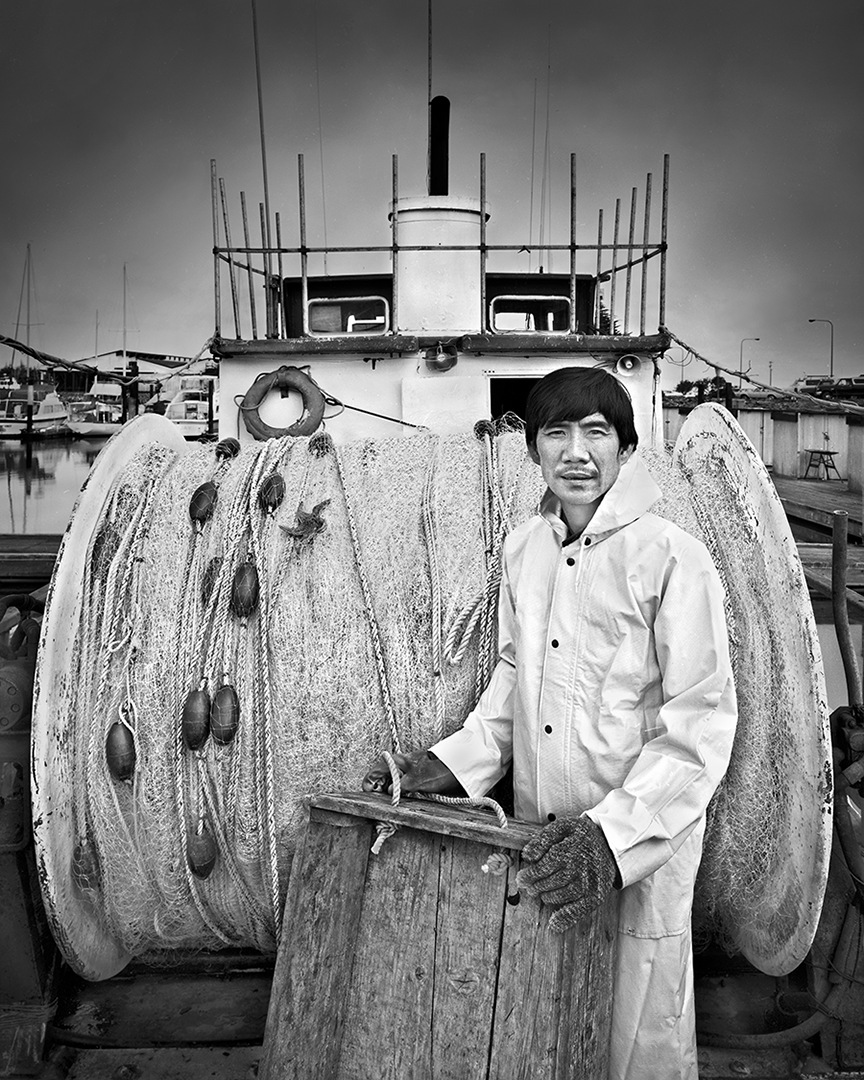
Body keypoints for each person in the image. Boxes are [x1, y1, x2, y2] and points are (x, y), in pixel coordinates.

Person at [363, 365, 737, 1080]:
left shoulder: (672, 559)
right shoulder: (523, 549)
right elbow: (513, 680)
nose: (576, 452)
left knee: (635, 1035)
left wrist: (612, 838)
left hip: (638, 849)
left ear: (626, 449)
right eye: (556, 433)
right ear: (533, 449)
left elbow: (702, 722)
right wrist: (449, 764)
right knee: (546, 1021)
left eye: (596, 433)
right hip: (544, 837)